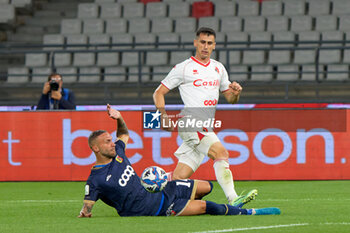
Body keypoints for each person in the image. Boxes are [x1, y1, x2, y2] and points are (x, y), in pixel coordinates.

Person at [78, 105, 281, 217]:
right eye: (107, 142)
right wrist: (85, 212)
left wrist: (119, 117)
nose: (112, 143)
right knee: (206, 207)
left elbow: (122, 134)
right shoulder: (95, 180)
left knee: (206, 186)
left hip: (163, 190)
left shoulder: (119, 153)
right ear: (95, 148)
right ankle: (248, 212)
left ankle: (189, 206)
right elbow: (87, 208)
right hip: (150, 208)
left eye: (111, 140)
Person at [153, 27, 256, 207]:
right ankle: (233, 199)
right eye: (202, 42)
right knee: (221, 153)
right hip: (190, 122)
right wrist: (162, 115)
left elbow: (230, 99)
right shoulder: (184, 68)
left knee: (179, 177)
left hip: (206, 126)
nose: (205, 47)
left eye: (209, 43)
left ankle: (145, 187)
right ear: (195, 43)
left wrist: (236, 93)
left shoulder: (218, 68)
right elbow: (158, 93)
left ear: (214, 46)